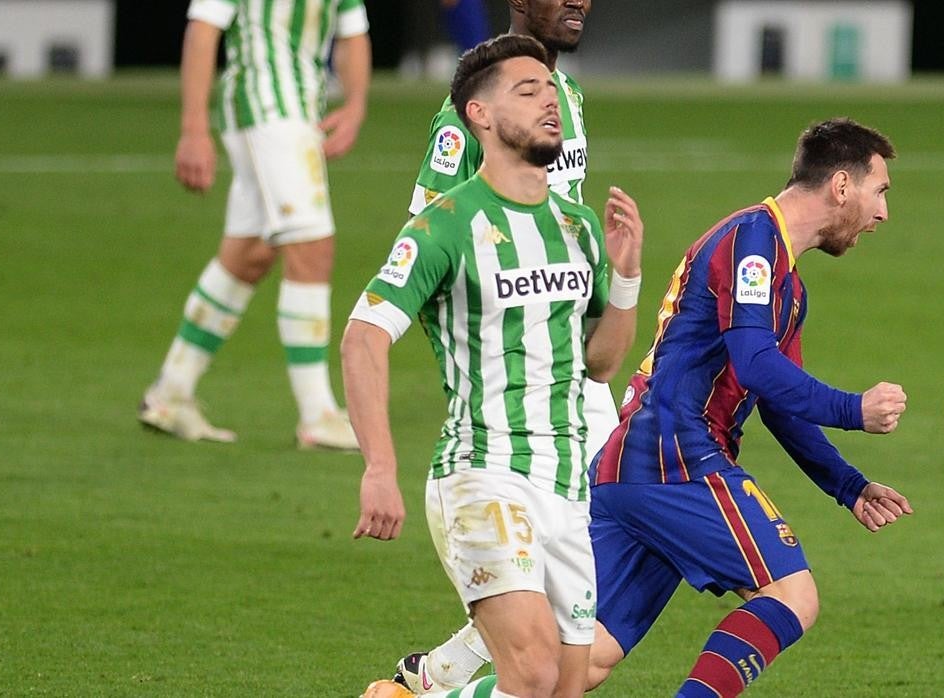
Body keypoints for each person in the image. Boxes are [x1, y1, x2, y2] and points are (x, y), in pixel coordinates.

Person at [387, 118, 914, 697]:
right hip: (676, 450)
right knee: (792, 593)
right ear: (842, 185)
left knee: (581, 667)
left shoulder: (785, 281)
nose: (882, 212)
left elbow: (777, 401)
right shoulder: (752, 243)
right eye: (879, 191)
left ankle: (419, 694)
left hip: (634, 461)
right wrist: (853, 407)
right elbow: (757, 361)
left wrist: (849, 485)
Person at [343, 34, 643, 698]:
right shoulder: (444, 226)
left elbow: (602, 363)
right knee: (532, 671)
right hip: (483, 472)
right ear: (478, 115)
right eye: (527, 91)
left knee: (568, 683)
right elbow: (363, 337)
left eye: (552, 89)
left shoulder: (579, 226)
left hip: (565, 487)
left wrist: (625, 278)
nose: (550, 102)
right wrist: (379, 467)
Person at [390, 2, 607, 692]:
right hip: (515, 381)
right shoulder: (472, 111)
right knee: (566, 642)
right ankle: (442, 677)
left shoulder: (565, 97)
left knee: (584, 573)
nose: (579, 0)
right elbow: (426, 232)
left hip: (572, 359)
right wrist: (488, 361)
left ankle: (436, 676)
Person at [137, 0, 371, 449]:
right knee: (311, 245)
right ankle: (318, 414)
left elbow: (352, 29)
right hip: (265, 107)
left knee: (249, 255)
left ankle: (171, 392)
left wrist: (356, 104)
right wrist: (192, 128)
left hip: (296, 107)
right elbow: (203, 29)